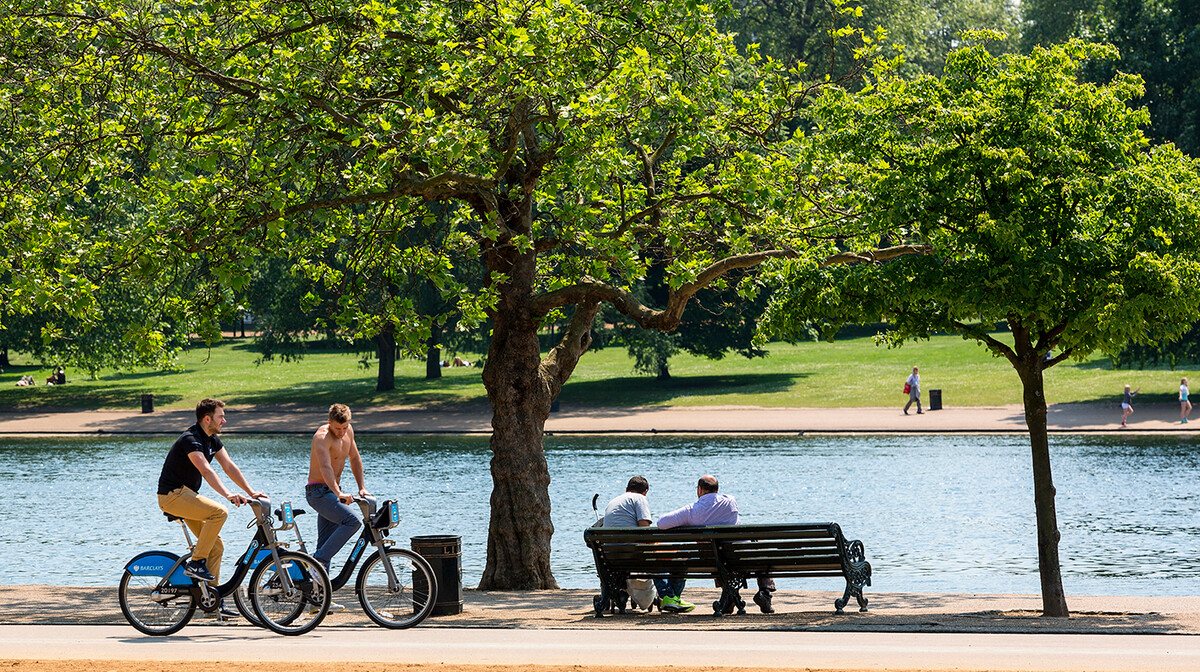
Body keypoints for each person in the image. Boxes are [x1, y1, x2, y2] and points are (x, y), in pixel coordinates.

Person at [157, 398, 265, 618]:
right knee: (219, 512)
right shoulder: (191, 439)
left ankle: (211, 602)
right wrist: (227, 495)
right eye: (220, 417)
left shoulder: (212, 440)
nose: (224, 421)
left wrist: (251, 492)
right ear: (207, 419)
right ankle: (196, 563)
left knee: (216, 546)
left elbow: (229, 466)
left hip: (186, 495)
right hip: (172, 496)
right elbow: (206, 470)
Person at [655, 475, 777, 614]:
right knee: (761, 550)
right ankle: (765, 594)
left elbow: (661, 523)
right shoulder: (730, 501)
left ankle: (728, 598)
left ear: (699, 489)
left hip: (711, 560)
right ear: (717, 489)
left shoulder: (692, 511)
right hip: (741, 557)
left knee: (718, 556)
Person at [305, 403, 369, 613]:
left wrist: (361, 488)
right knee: (352, 522)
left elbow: (355, 458)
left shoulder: (348, 431)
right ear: (329, 422)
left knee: (326, 543)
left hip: (334, 492)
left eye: (345, 428)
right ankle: (316, 562)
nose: (341, 433)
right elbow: (325, 467)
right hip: (318, 492)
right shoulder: (321, 437)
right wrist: (338, 493)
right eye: (337, 428)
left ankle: (318, 601)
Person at [598, 476, 656, 611]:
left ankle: (618, 592)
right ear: (645, 491)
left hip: (610, 557)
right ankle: (665, 595)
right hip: (631, 556)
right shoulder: (640, 498)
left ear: (626, 489)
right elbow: (644, 528)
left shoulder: (613, 501)